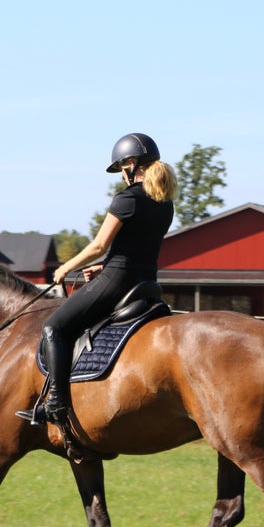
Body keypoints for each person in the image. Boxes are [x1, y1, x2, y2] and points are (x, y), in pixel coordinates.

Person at [17, 133, 178, 428]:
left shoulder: (128, 198)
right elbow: (138, 249)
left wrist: (67, 267)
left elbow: (99, 244)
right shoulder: (164, 203)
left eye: (121, 169)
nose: (121, 177)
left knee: (55, 327)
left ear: (131, 164)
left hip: (117, 281)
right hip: (144, 282)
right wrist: (103, 267)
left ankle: (56, 404)